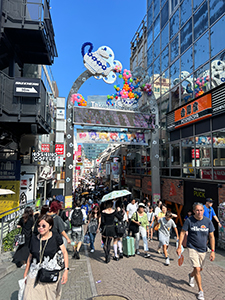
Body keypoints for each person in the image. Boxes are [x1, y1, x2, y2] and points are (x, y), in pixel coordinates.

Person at [23, 214, 69, 300]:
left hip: (50, 274)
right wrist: (26, 273)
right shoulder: (33, 239)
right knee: (28, 296)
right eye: (39, 226)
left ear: (50, 226)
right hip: (34, 274)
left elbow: (64, 252)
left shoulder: (56, 237)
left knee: (49, 297)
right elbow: (30, 257)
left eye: (44, 226)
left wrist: (66, 270)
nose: (41, 228)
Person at [177, 202, 215, 300]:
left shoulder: (208, 221)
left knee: (199, 269)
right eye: (197, 210)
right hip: (192, 247)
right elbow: (182, 233)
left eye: (201, 210)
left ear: (203, 211)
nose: (199, 212)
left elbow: (211, 236)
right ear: (194, 211)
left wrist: (213, 251)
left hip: (203, 249)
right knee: (197, 269)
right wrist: (179, 246)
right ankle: (200, 291)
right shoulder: (189, 221)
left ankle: (191, 275)